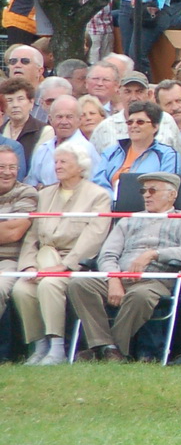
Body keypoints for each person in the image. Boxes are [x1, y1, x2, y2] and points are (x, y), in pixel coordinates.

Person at [67, 170, 181, 361]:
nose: (146, 195)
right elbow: (108, 254)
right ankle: (106, 345)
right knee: (79, 284)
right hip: (119, 276)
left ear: (172, 195)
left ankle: (110, 351)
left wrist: (153, 254)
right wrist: (114, 279)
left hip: (155, 280)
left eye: (153, 190)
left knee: (139, 296)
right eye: (144, 191)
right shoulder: (129, 219)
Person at [12, 142, 111, 364]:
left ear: (80, 166)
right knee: (21, 288)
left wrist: (66, 265)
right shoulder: (45, 195)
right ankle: (39, 346)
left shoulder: (98, 196)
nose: (57, 166)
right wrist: (28, 265)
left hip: (72, 264)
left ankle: (57, 347)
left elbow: (93, 236)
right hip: (42, 260)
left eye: (64, 161)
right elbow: (32, 236)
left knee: (50, 284)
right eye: (56, 161)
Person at [93, 101, 180, 196]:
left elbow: (166, 189)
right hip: (109, 207)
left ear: (155, 127)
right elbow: (98, 183)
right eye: (130, 122)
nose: (134, 126)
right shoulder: (111, 153)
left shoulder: (167, 155)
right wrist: (114, 200)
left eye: (140, 122)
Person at [0, 143, 40, 309]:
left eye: (12, 167)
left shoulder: (27, 192)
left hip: (8, 261)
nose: (7, 172)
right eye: (1, 167)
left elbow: (13, 231)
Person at [27, 96, 91, 189]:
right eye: (59, 117)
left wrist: (45, 188)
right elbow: (31, 183)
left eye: (69, 117)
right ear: (50, 119)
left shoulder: (86, 149)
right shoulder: (43, 149)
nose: (64, 122)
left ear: (79, 119)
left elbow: (91, 187)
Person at [0, 76, 44, 162]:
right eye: (9, 100)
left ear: (31, 102)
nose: (15, 105)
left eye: (20, 99)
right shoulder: (1, 129)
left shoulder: (43, 130)